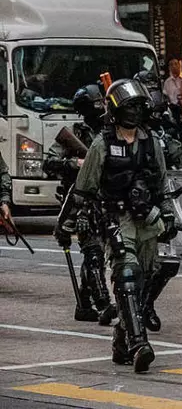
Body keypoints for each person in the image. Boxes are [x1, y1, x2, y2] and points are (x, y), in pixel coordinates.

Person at [75, 78, 176, 373]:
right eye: (128, 107)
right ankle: (138, 344)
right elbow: (84, 188)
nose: (134, 112)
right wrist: (76, 221)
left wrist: (168, 214)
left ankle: (121, 339)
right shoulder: (102, 144)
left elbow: (162, 184)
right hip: (117, 219)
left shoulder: (151, 142)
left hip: (148, 219)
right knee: (127, 275)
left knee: (145, 281)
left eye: (138, 107)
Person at [133, 71, 182, 332]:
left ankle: (146, 303)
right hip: (139, 194)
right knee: (138, 260)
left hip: (170, 190)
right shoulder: (129, 120)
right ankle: (130, 306)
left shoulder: (168, 118)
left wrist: (178, 131)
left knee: (172, 260)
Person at [45, 84, 113, 324]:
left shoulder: (109, 133)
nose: (100, 109)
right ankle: (103, 302)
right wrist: (76, 164)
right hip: (80, 203)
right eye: (96, 105)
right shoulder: (76, 133)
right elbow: (49, 163)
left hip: (107, 201)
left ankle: (84, 303)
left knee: (98, 254)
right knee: (93, 253)